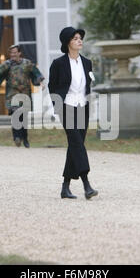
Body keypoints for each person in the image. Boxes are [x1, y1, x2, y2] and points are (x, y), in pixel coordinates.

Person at [48, 27, 98, 200]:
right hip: (66, 107)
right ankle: (87, 184)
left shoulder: (87, 63)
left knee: (75, 145)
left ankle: (65, 187)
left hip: (82, 107)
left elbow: (88, 84)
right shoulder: (58, 64)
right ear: (68, 42)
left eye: (80, 38)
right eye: (76, 38)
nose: (80, 41)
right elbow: (52, 87)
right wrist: (57, 107)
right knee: (77, 143)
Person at [0, 45, 45, 148]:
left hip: (25, 94)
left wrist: (41, 83)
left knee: (24, 118)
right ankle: (16, 137)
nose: (13, 55)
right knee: (16, 116)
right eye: (11, 53)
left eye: (15, 52)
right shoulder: (7, 65)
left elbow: (36, 73)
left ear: (19, 53)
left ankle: (25, 138)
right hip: (12, 95)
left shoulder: (27, 63)